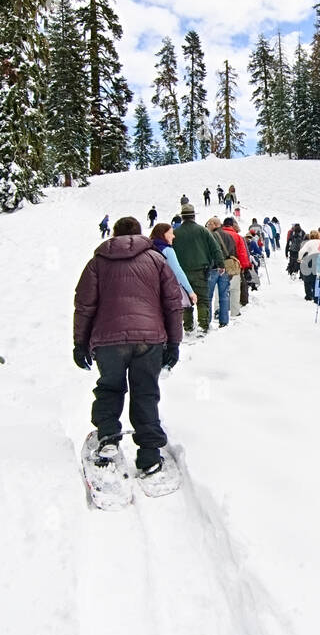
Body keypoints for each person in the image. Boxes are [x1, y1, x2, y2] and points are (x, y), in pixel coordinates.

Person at [72, 217, 183, 479]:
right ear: (140, 234)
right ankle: (149, 454)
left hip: (109, 341)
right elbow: (172, 303)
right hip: (149, 339)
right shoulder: (156, 261)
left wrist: (80, 343)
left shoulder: (97, 263)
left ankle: (108, 438)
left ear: (113, 234)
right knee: (145, 391)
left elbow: (84, 306)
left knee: (110, 387)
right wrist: (174, 342)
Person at [171, 203, 224, 335]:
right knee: (202, 299)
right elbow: (215, 248)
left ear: (182, 217)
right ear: (194, 216)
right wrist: (221, 264)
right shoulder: (203, 230)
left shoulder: (175, 233)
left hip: (181, 273)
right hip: (201, 271)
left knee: (186, 300)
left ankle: (188, 327)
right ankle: (203, 325)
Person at [151, 222, 197, 315]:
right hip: (166, 290)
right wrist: (190, 291)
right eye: (171, 233)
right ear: (163, 234)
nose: (173, 236)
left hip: (151, 289)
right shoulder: (167, 250)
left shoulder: (150, 248)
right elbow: (177, 271)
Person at [207, 216, 242, 320]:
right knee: (224, 293)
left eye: (209, 224)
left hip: (215, 267)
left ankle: (213, 315)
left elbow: (211, 252)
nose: (208, 226)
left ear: (214, 224)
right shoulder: (229, 236)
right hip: (228, 265)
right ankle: (225, 318)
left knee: (211, 294)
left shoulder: (211, 236)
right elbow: (235, 251)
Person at [223, 217, 253, 309]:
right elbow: (242, 253)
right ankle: (239, 305)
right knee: (237, 286)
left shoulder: (218, 234)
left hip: (220, 265)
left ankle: (224, 306)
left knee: (223, 287)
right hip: (234, 264)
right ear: (232, 225)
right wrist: (246, 266)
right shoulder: (237, 236)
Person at [298, 229, 320, 301]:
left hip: (310, 260)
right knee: (317, 278)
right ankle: (317, 296)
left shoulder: (309, 243)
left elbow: (301, 251)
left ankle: (308, 295)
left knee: (307, 278)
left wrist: (300, 259)